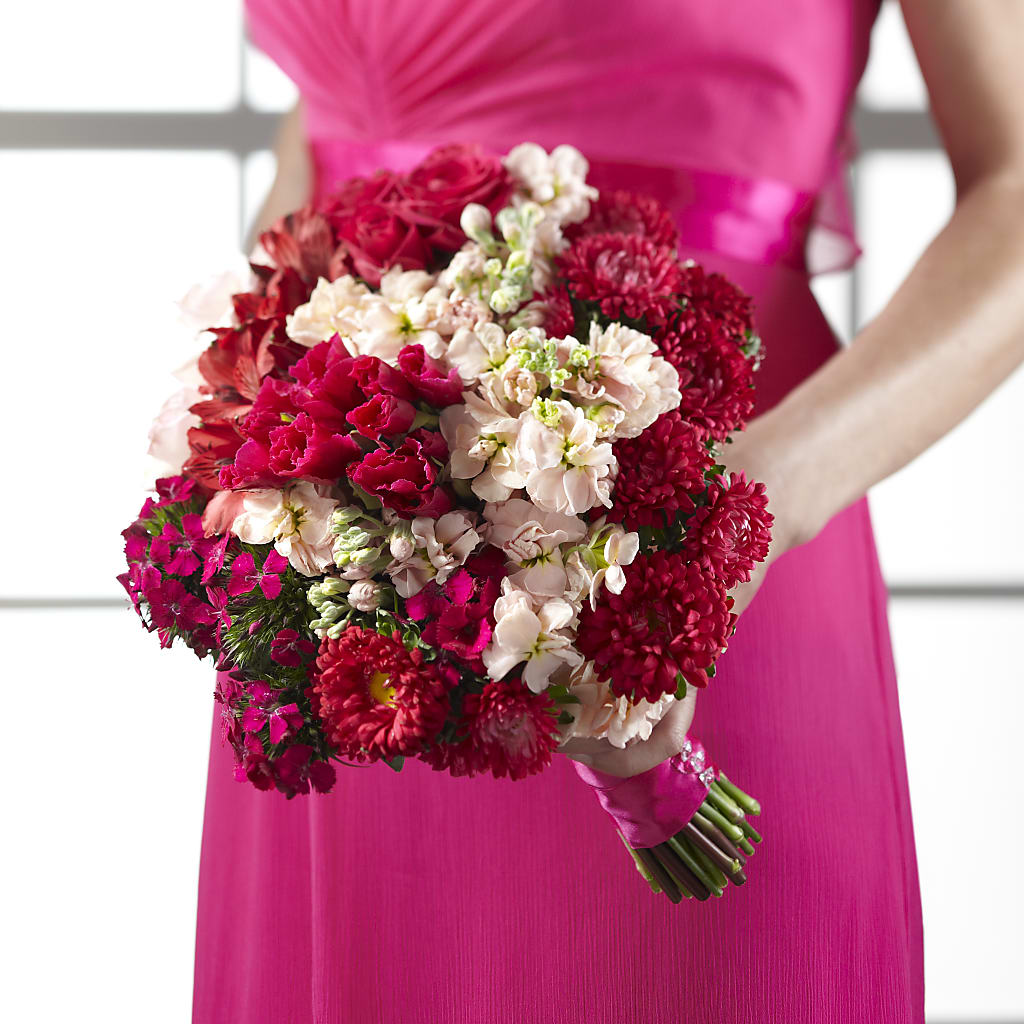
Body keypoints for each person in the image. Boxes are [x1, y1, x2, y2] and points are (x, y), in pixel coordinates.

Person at [192, 2, 1024, 1021]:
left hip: (694, 529)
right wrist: (251, 431)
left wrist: (751, 499)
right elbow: (327, 141)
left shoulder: (720, 516)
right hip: (359, 570)